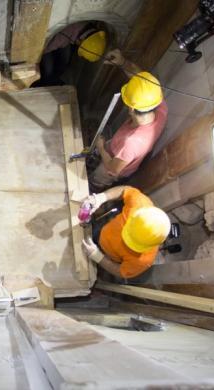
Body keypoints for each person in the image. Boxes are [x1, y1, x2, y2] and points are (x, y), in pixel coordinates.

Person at [89, 49, 168, 191]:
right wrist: (122, 62)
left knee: (98, 178)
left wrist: (100, 147)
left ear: (131, 109)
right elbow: (141, 83)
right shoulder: (160, 107)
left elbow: (113, 169)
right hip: (117, 148)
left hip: (113, 166)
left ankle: (93, 187)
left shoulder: (132, 142)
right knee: (103, 149)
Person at [80, 185, 171, 280]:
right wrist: (101, 198)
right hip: (104, 228)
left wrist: (98, 257)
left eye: (132, 243)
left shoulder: (143, 261)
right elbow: (125, 191)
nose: (125, 240)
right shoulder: (139, 204)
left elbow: (121, 271)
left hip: (107, 254)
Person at [33, 21, 108, 87]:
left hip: (68, 37)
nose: (78, 45)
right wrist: (36, 60)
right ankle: (46, 83)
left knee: (64, 61)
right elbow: (46, 48)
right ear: (81, 39)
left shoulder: (88, 28)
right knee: (48, 69)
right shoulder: (62, 37)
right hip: (47, 40)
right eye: (79, 45)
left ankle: (56, 78)